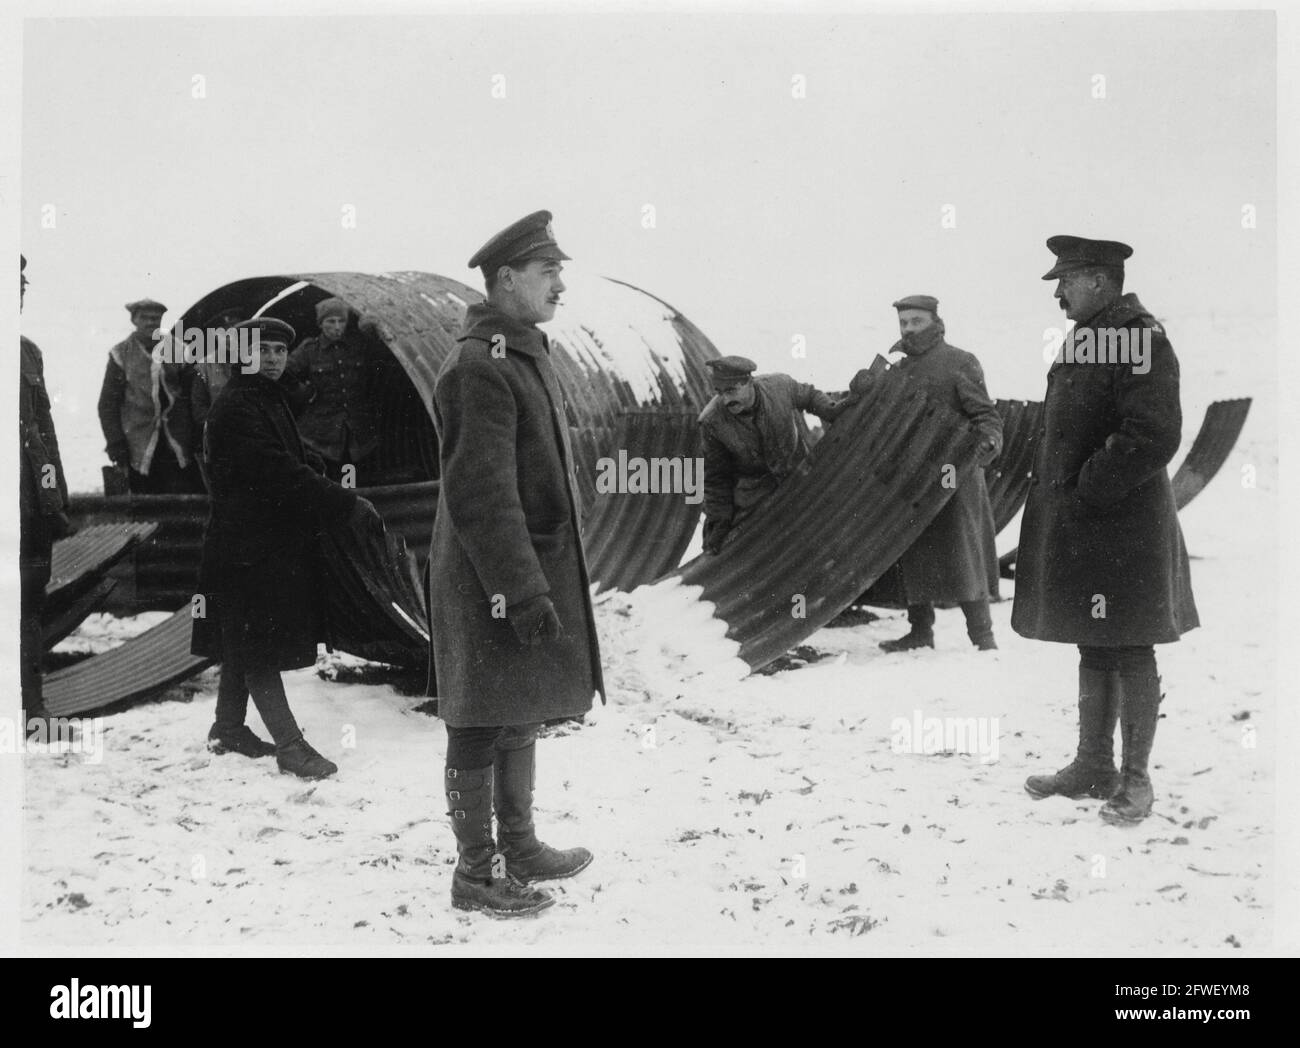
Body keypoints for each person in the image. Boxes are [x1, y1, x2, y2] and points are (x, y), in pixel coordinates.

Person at [426, 210, 603, 917]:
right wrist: (522, 591)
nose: (561, 285)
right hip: (486, 576)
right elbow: (482, 496)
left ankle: (520, 845)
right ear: (506, 279)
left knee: (518, 706)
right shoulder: (479, 366)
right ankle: (475, 874)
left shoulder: (520, 353)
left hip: (516, 568)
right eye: (548, 272)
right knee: (477, 717)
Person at [1014, 236, 1198, 825]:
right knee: (1092, 638)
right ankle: (1094, 763)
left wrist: (1090, 486)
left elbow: (1153, 431)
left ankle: (1136, 780)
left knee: (1130, 641)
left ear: (1098, 280)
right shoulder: (1092, 334)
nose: (1059, 294)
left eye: (1065, 281)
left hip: (1123, 524)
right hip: (1089, 523)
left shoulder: (1139, 336)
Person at [191, 316, 383, 778]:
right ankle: (291, 746)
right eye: (263, 351)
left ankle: (228, 728)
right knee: (256, 643)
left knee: (244, 635)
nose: (273, 359)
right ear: (243, 355)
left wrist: (325, 470)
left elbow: (295, 455)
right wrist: (344, 502)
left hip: (256, 543)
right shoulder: (237, 406)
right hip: (244, 547)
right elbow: (275, 470)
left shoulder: (262, 398)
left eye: (279, 351)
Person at [854, 296, 1002, 652]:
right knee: (913, 551)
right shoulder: (900, 368)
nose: (908, 329)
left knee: (962, 552)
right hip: (913, 477)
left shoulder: (960, 362)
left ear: (936, 322)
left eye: (916, 321)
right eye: (903, 323)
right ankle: (921, 631)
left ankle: (983, 639)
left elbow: (986, 416)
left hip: (955, 474)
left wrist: (987, 444)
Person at [698, 355, 839, 554]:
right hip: (755, 500)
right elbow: (716, 478)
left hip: (799, 480)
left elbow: (809, 395)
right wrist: (719, 521)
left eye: (731, 390)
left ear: (749, 382)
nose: (726, 399)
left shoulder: (780, 386)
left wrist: (829, 409)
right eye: (720, 392)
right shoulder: (712, 422)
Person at [19, 255, 74, 736]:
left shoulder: (27, 352)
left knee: (28, 604)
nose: (19, 288)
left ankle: (31, 709)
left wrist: (55, 499)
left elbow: (46, 434)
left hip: (30, 502)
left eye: (20, 283)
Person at [283, 298, 381, 483]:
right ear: (320, 324)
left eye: (341, 321)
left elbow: (383, 364)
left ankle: (350, 500)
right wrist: (304, 392)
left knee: (351, 479)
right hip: (322, 433)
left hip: (356, 431)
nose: (337, 327)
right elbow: (283, 374)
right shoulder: (309, 350)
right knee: (326, 479)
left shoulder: (358, 345)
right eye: (330, 321)